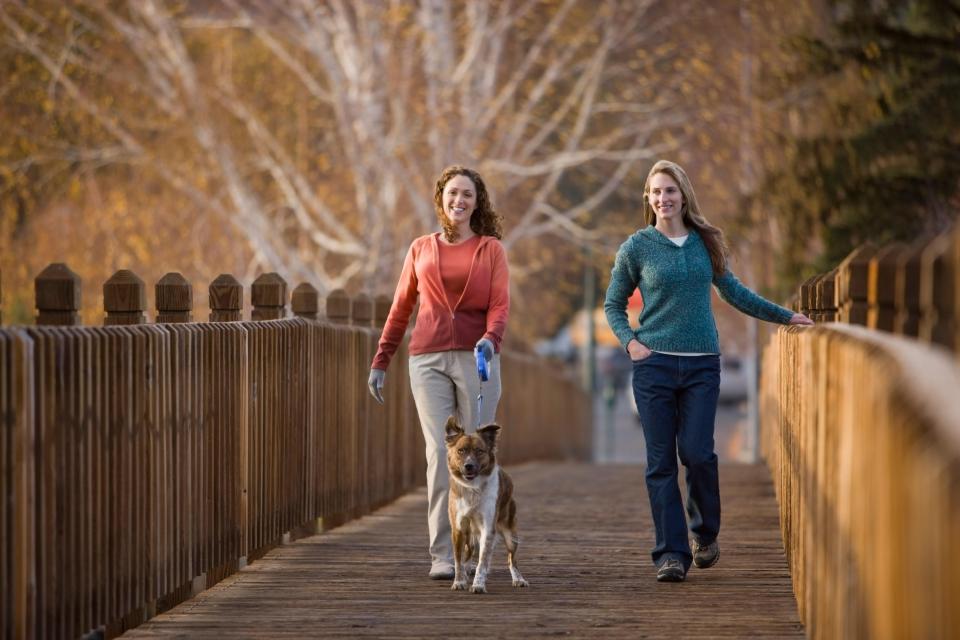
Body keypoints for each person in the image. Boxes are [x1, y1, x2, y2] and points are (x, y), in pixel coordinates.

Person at [603, 160, 813, 583]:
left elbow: (733, 291)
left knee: (698, 454)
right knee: (660, 463)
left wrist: (785, 316)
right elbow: (613, 304)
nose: (663, 198)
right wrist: (631, 342)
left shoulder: (705, 242)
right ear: (648, 199)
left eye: (670, 190)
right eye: (656, 192)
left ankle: (705, 533)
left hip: (702, 366)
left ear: (684, 194)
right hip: (654, 366)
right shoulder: (636, 247)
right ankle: (671, 554)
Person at [367, 165, 510, 580]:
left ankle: (478, 548)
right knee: (440, 454)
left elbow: (500, 304)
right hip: (426, 358)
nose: (458, 201)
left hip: (476, 357)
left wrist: (490, 337)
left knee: (479, 455)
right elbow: (400, 308)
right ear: (441, 199)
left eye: (467, 194)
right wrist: (381, 359)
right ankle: (443, 554)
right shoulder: (420, 249)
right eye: (452, 194)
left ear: (476, 201)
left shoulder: (490, 250)